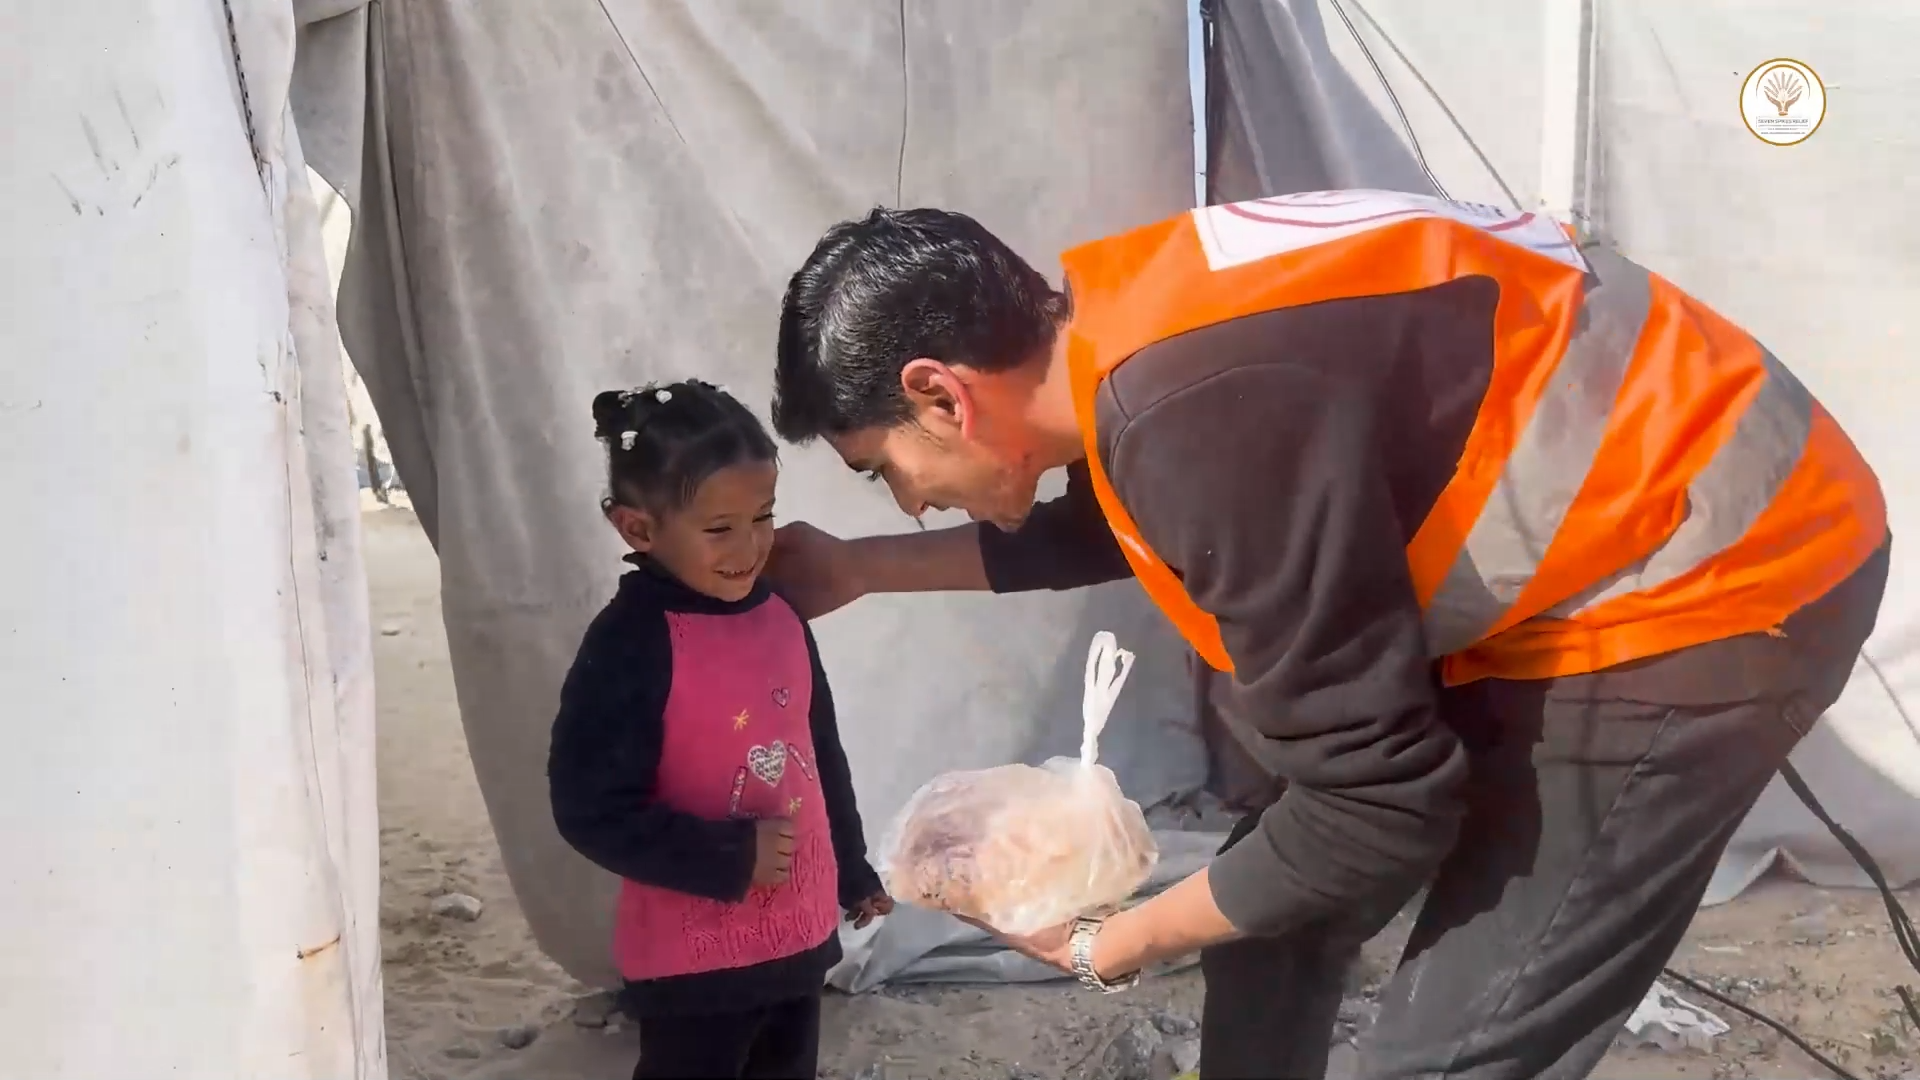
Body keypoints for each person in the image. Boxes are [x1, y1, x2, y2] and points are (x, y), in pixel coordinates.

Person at [763, 193, 1890, 1080]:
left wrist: (1114, 945)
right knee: (1272, 908)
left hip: (1719, 579)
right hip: (1609, 540)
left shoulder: (1199, 412)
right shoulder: (1128, 325)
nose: (905, 501)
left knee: (1456, 1046)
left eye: (883, 469)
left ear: (941, 395)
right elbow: (1129, 514)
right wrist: (863, 571)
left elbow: (1383, 806)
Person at [548, 379, 893, 1080]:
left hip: (796, 939)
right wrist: (729, 858)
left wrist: (852, 871)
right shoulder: (630, 644)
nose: (751, 547)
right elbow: (589, 808)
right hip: (694, 962)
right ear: (637, 528)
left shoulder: (781, 617)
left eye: (763, 516)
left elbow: (818, 754)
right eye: (719, 529)